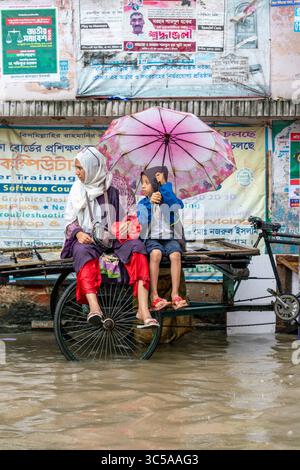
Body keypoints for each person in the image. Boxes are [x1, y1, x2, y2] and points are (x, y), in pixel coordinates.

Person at [61, 146, 159, 329]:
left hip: (117, 239)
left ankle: (143, 311)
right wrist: (79, 233)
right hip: (91, 239)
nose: (77, 172)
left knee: (138, 248)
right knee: (82, 252)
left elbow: (132, 210)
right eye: (76, 168)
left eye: (80, 168)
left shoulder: (118, 184)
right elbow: (69, 220)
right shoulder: (77, 189)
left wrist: (128, 223)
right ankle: (94, 308)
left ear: (92, 167)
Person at [138, 166, 188, 311]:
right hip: (151, 238)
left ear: (155, 184)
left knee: (175, 255)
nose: (143, 186)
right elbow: (142, 221)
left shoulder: (167, 198)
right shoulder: (143, 203)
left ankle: (175, 294)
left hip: (169, 238)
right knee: (156, 253)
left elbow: (178, 205)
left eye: (146, 182)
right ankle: (154, 295)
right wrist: (151, 204)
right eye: (142, 182)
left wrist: (165, 185)